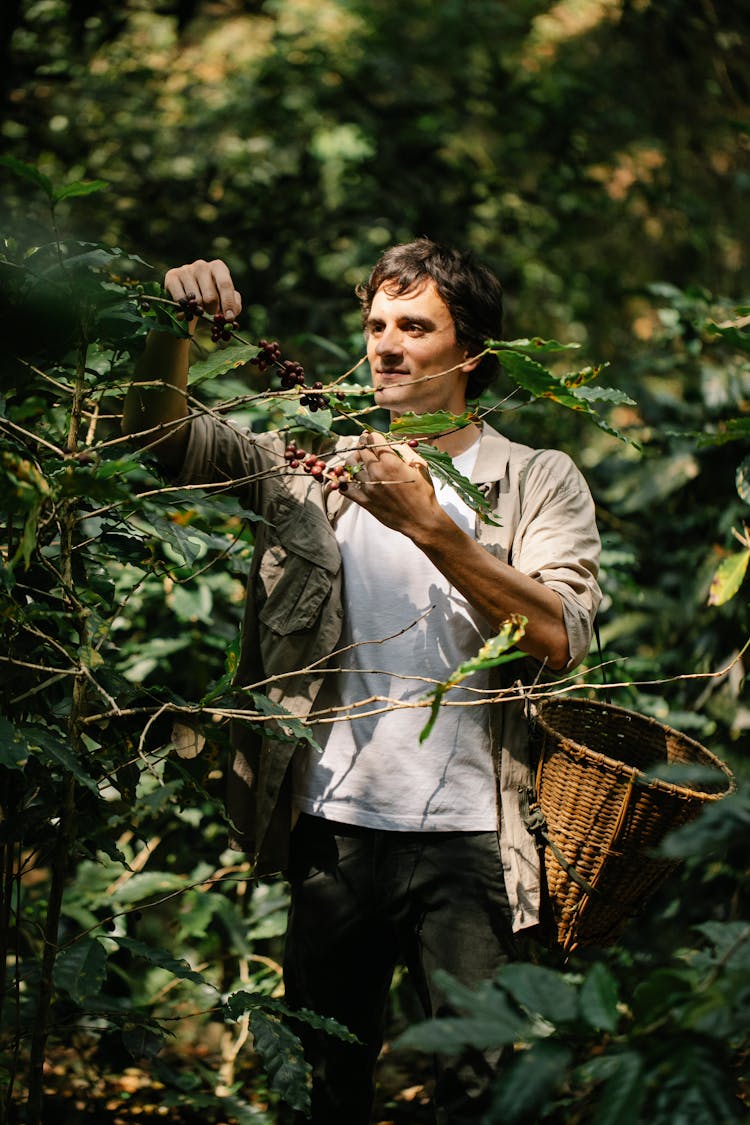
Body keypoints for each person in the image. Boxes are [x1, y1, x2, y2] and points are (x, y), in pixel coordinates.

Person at [123, 239, 601, 1124]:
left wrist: (435, 528)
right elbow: (158, 439)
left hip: (474, 845)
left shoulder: (536, 478)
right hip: (331, 834)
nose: (386, 343)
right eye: (376, 323)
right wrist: (172, 324)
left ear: (473, 353)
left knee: (483, 1094)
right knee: (318, 1086)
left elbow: (559, 638)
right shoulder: (315, 464)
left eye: (414, 326)